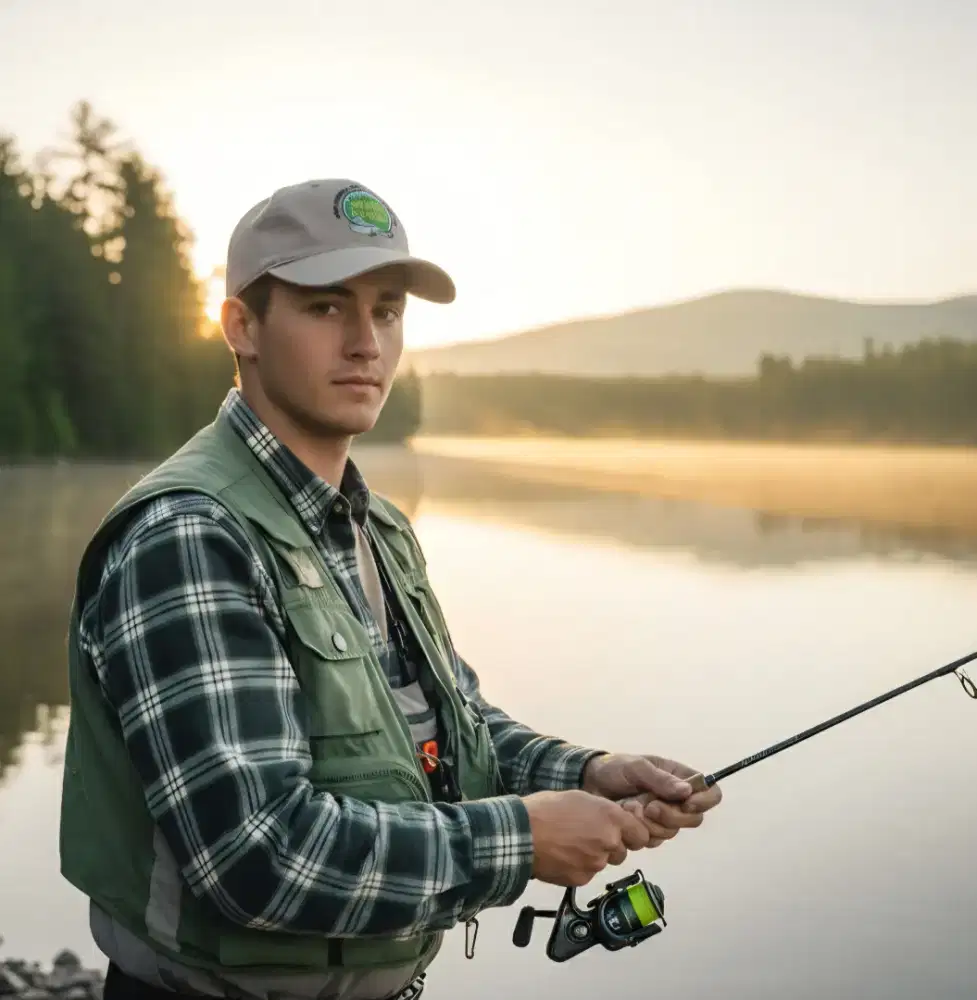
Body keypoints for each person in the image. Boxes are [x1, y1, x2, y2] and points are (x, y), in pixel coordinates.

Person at [59, 178, 722, 1000]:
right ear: (241, 327)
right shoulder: (190, 537)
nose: (366, 343)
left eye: (385, 311)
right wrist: (520, 839)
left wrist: (585, 774)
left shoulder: (379, 531)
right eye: (326, 307)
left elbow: (452, 733)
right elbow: (258, 857)